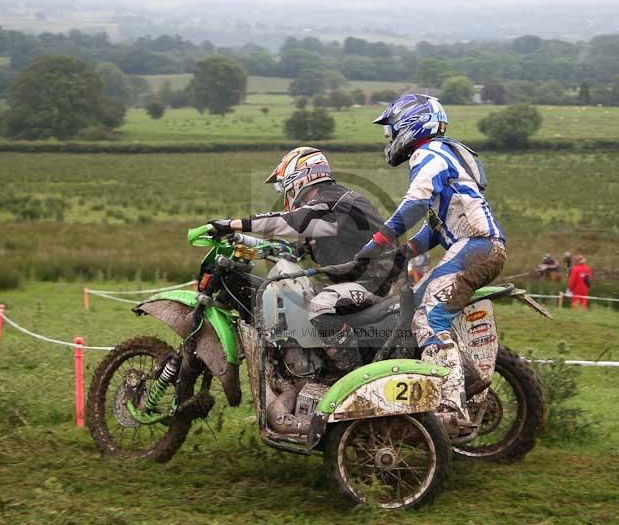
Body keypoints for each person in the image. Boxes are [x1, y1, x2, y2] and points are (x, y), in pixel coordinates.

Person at [355, 94, 506, 423]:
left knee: (427, 320)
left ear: (410, 124)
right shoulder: (443, 153)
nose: (391, 139)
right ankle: (464, 379)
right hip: (477, 246)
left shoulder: (429, 152)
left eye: (392, 130)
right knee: (411, 312)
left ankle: (450, 408)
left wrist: (378, 241)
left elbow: (415, 204)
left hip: (476, 247)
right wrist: (404, 251)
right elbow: (437, 228)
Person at [207, 146, 393, 371]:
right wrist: (242, 240)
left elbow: (290, 221)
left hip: (374, 284)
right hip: (356, 282)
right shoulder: (326, 209)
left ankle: (349, 371)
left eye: (281, 185)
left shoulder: (335, 200)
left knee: (320, 306)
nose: (282, 192)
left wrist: (231, 224)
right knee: (292, 294)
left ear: (298, 178)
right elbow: (288, 247)